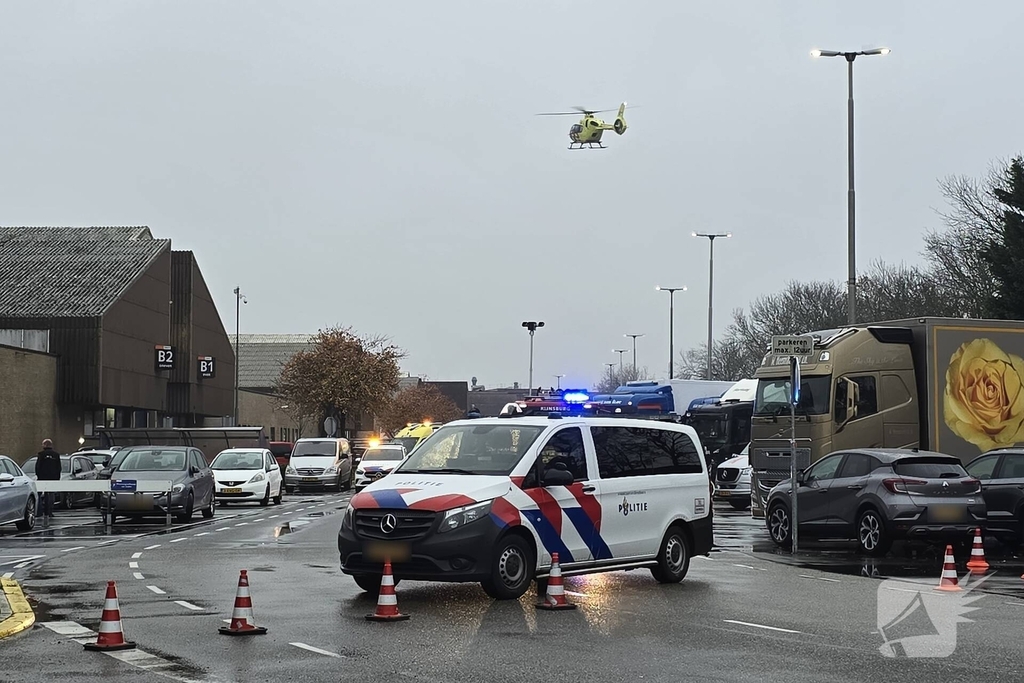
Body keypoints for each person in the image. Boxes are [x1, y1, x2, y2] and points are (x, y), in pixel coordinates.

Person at [35, 438, 62, 519]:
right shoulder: (56, 455)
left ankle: (39, 512)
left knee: (39, 494)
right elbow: (59, 467)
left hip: (42, 478)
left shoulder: (41, 454)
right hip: (53, 478)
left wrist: (38, 476)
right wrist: (57, 477)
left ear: (45, 445)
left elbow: (38, 467)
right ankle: (49, 512)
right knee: (51, 495)